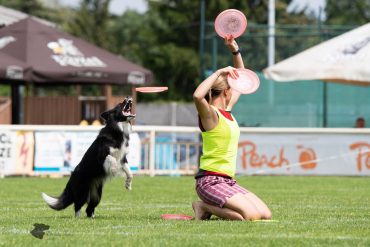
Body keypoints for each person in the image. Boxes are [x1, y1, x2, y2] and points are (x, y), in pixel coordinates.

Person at [192, 35, 272, 221]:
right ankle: (203, 206)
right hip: (209, 182)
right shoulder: (210, 114)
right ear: (227, 91)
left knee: (265, 215)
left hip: (227, 181)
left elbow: (242, 75)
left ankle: (207, 208)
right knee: (250, 216)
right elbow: (197, 96)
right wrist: (220, 71)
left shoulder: (227, 111)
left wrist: (234, 50)